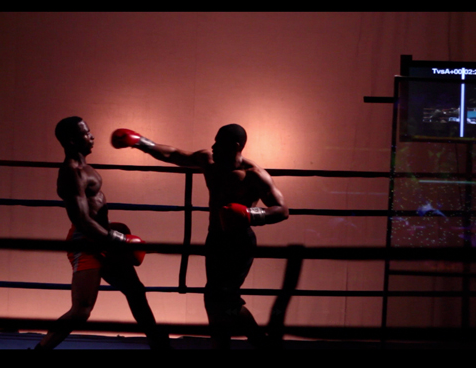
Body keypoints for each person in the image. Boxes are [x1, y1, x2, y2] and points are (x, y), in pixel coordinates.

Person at [111, 124, 289, 349]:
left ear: (235, 146)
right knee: (216, 299)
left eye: (219, 143)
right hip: (214, 239)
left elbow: (282, 210)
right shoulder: (209, 162)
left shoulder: (254, 176)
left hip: (239, 243)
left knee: (224, 298)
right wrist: (139, 142)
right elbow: (174, 154)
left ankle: (255, 342)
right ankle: (241, 343)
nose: (212, 146)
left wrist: (250, 215)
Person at [34, 116, 169, 350]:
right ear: (71, 141)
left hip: (103, 238)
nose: (92, 136)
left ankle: (160, 346)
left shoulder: (85, 168)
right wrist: (117, 240)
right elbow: (83, 221)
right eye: (86, 133)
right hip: (87, 242)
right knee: (81, 310)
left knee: (135, 291)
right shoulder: (71, 173)